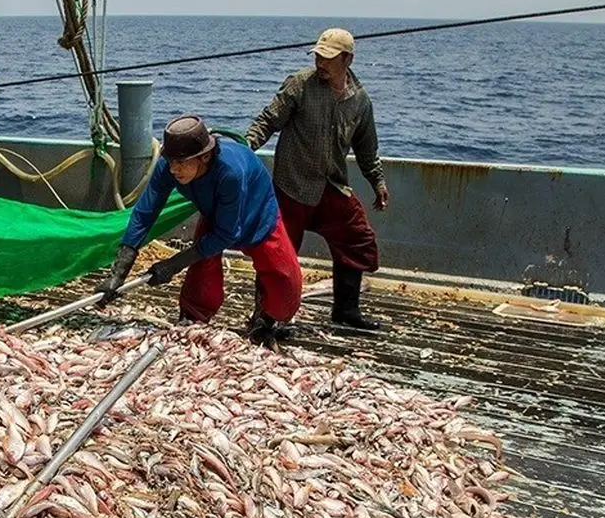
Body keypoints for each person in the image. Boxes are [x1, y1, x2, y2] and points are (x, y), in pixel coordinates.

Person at [97, 115, 303, 345]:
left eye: (182, 163)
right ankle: (193, 317)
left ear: (204, 156)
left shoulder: (230, 173)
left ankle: (267, 320)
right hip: (216, 213)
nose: (174, 169)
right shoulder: (169, 166)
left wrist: (173, 265)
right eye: (171, 161)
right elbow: (145, 213)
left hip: (257, 210)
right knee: (202, 267)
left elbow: (226, 234)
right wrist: (119, 272)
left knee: (283, 277)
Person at [246, 28, 389, 330]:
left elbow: (367, 148)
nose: (320, 63)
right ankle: (265, 317)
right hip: (292, 184)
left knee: (357, 239)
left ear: (347, 59)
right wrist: (245, 149)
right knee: (277, 251)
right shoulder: (300, 85)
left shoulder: (360, 101)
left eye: (328, 58)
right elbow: (268, 121)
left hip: (331, 185)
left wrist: (377, 181)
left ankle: (346, 311)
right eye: (318, 57)